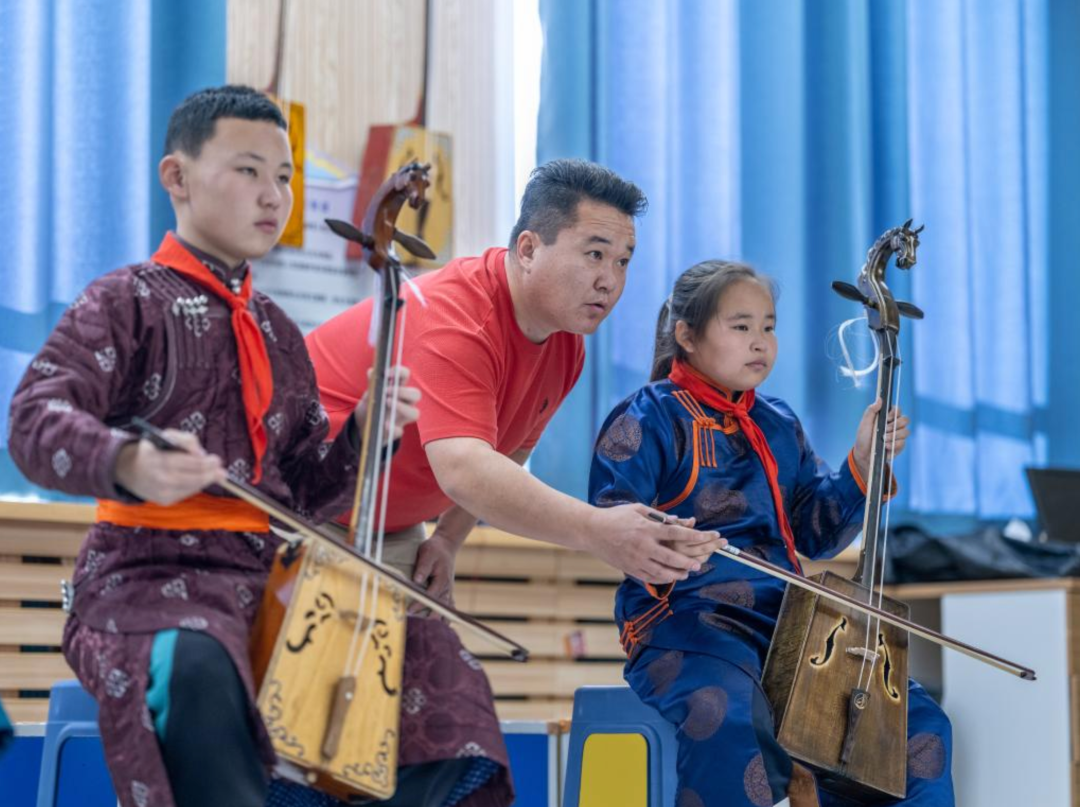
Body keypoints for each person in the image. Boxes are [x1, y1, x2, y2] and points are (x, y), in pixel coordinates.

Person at [7, 85, 422, 807]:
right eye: (248, 170)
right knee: (199, 662)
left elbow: (306, 490)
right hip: (141, 580)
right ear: (177, 177)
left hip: (263, 583)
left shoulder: (280, 333)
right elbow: (32, 420)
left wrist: (365, 432)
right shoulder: (124, 299)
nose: (273, 195)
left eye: (284, 177)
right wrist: (127, 461)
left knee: (430, 677)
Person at [588, 260, 954, 807]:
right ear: (687, 335)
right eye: (740, 327)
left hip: (792, 630)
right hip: (687, 624)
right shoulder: (648, 415)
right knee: (732, 714)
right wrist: (663, 539)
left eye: (768, 326)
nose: (760, 341)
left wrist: (861, 462)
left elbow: (816, 534)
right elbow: (610, 517)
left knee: (917, 726)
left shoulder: (778, 422)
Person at [307, 159, 722, 603]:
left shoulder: (567, 343)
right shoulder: (455, 315)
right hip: (303, 508)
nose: (610, 281)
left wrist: (447, 539)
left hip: (388, 526)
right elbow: (464, 468)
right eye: (595, 255)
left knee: (436, 651)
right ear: (527, 249)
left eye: (623, 261)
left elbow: (510, 451)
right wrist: (597, 530)